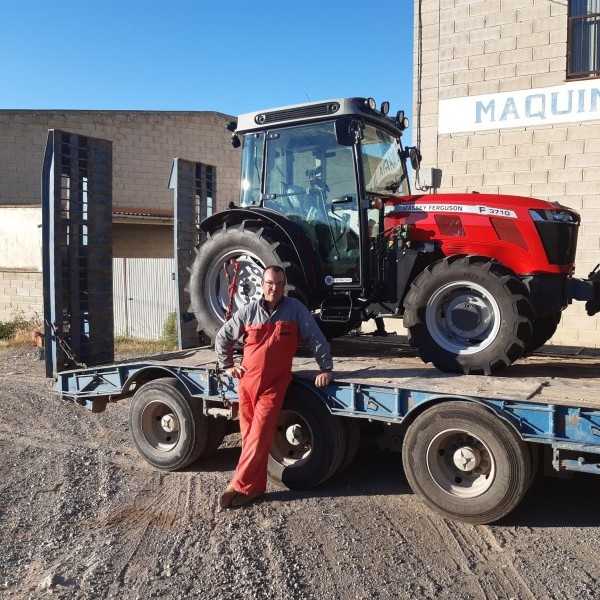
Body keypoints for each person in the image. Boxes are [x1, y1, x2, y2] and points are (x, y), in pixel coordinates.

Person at [215, 265, 333, 509]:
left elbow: (315, 337)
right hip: (247, 384)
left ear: (284, 285)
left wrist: (325, 368)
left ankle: (237, 485)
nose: (275, 288)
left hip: (274, 385)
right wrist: (227, 365)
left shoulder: (295, 310)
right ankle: (255, 489)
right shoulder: (248, 311)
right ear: (262, 284)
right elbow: (223, 336)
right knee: (249, 438)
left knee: (258, 436)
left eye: (279, 284)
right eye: (270, 283)